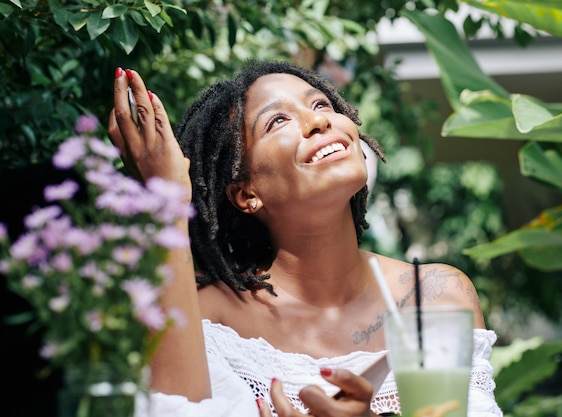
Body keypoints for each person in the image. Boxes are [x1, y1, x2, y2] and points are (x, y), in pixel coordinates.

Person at [108, 61, 503, 417]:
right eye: (277, 121)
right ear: (247, 194)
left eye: (320, 105)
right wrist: (169, 201)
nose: (319, 122)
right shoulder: (208, 318)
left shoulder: (436, 295)